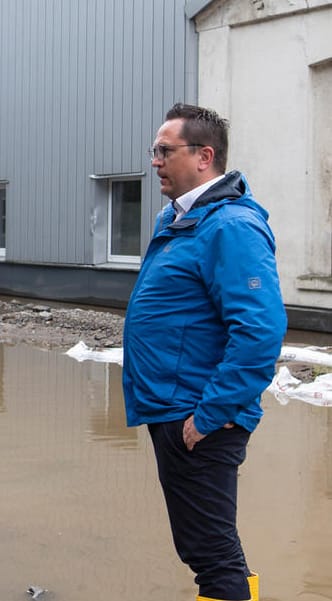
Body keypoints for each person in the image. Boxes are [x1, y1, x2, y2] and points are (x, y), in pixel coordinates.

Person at [122, 103, 286, 601]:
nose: (154, 160)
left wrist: (209, 415)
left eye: (164, 150)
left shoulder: (230, 226)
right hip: (174, 408)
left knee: (213, 557)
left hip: (198, 415)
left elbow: (260, 332)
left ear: (203, 156)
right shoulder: (179, 219)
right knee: (207, 548)